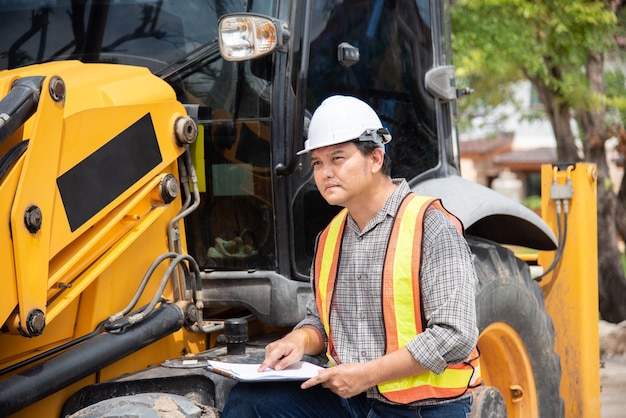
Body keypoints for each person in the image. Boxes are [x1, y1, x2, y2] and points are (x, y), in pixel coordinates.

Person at [222, 95, 481, 417]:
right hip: (355, 400)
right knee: (250, 401)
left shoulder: (431, 226)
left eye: (338, 158)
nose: (325, 172)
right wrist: (299, 339)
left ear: (374, 158)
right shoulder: (330, 237)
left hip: (423, 406)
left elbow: (455, 335)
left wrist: (366, 375)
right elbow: (320, 321)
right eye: (317, 163)